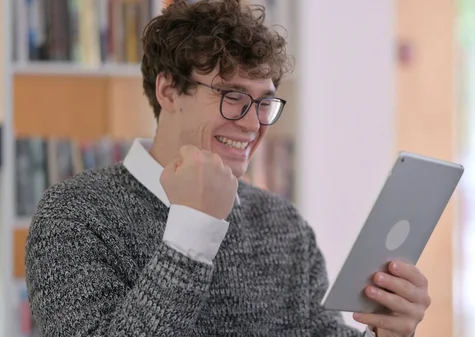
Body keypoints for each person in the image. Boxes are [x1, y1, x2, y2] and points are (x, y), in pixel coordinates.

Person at [24, 1, 431, 336]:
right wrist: (193, 229)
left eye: (264, 102)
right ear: (168, 90)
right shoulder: (74, 214)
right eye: (233, 96)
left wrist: (387, 333)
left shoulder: (282, 224)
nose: (253, 123)